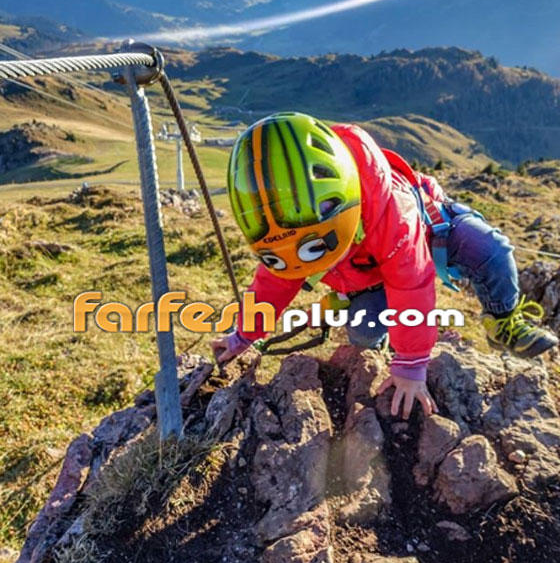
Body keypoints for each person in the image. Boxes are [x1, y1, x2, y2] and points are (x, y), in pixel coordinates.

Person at [211, 113, 558, 419]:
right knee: (364, 333)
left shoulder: (394, 212)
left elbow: (411, 282)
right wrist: (244, 335)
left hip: (429, 231)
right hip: (366, 275)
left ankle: (502, 321)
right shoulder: (282, 228)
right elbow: (272, 284)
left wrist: (411, 364)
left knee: (492, 251)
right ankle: (377, 354)